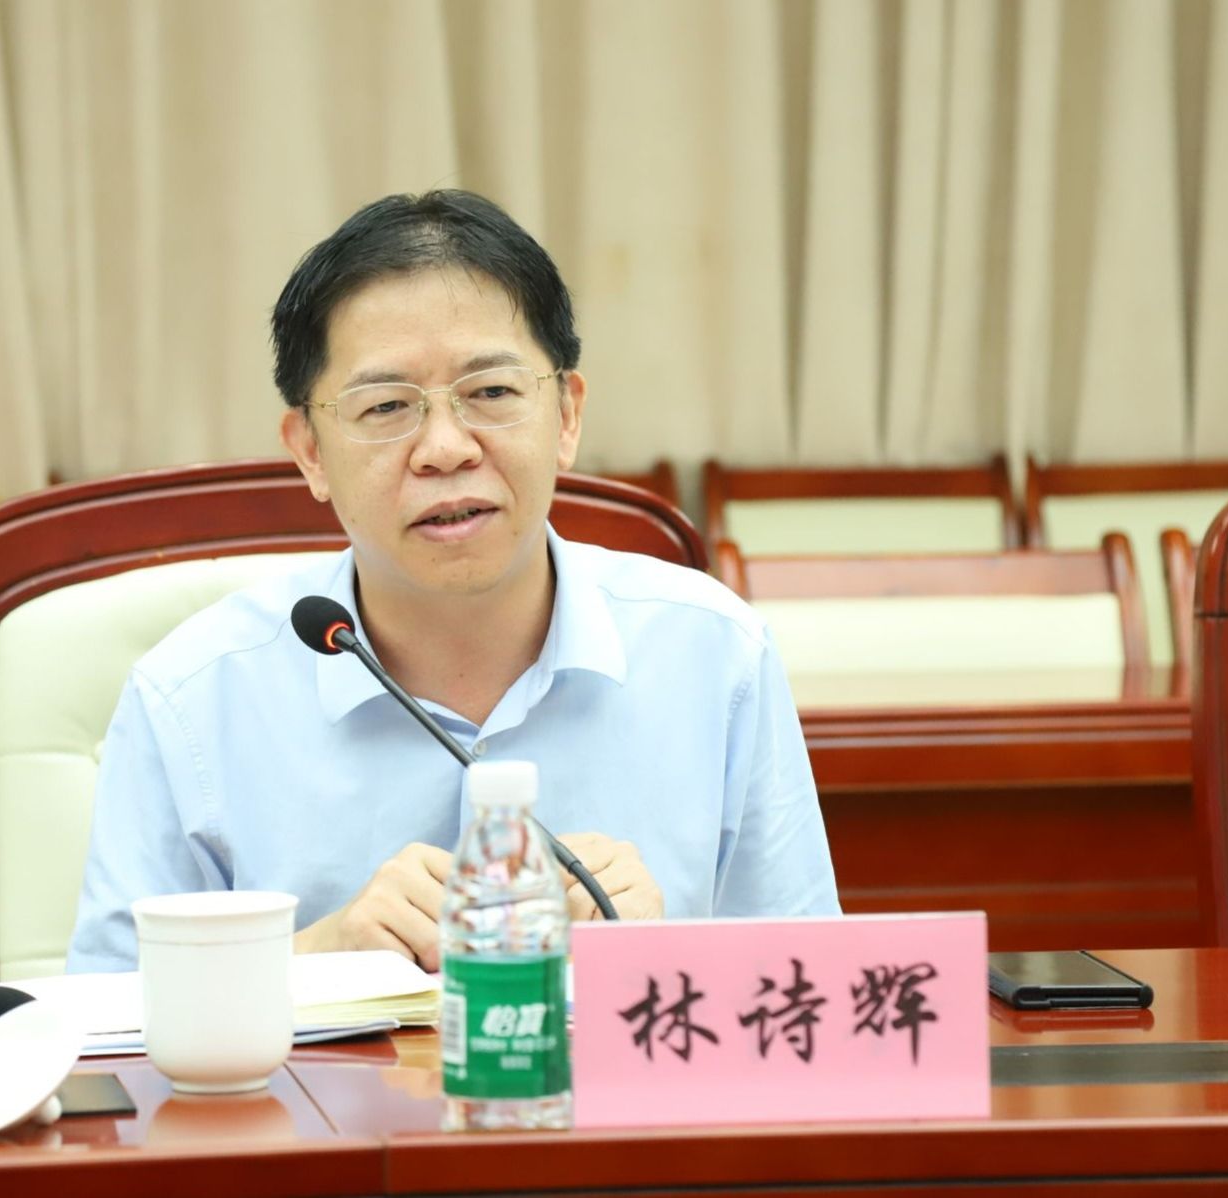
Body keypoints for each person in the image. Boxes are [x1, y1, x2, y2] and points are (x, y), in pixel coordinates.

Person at [66, 190, 838, 974]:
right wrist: (313, 959)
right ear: (310, 452)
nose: (444, 448)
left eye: (491, 393)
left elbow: (815, 993)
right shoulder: (192, 698)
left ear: (567, 416)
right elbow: (104, 1019)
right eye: (385, 406)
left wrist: (669, 958)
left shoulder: (715, 656)